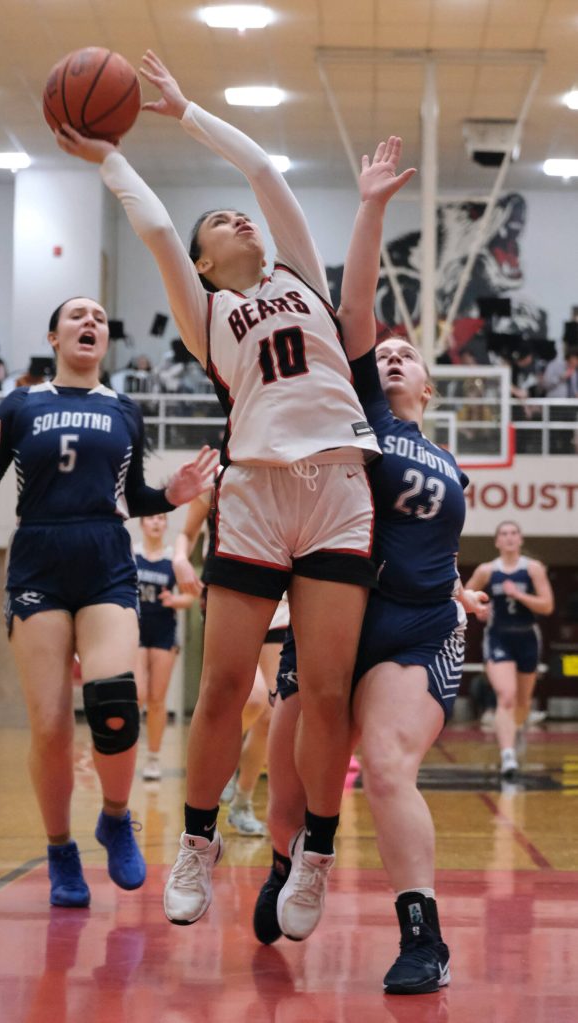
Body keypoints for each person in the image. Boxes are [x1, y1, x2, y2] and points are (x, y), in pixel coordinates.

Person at [56, 50, 403, 935]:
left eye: (239, 217)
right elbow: (157, 231)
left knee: (325, 694)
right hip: (252, 493)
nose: (236, 218)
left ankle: (315, 855)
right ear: (209, 265)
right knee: (219, 692)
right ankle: (199, 843)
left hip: (335, 489)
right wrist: (110, 160)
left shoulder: (303, 280)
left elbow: (264, 168)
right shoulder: (206, 313)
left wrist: (185, 111)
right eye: (221, 223)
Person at [253, 141, 489, 997]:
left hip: (416, 625)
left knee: (386, 762)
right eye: (382, 353)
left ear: (427, 383)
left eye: (405, 356)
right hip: (329, 617)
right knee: (289, 782)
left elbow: (436, 538)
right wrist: (371, 207)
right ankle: (286, 865)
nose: (390, 358)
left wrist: (459, 584)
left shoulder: (450, 462)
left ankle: (421, 936)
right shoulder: (353, 412)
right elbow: (353, 307)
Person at [0, 295, 218, 909]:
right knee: (50, 726)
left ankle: (115, 816)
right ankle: (59, 850)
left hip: (105, 556)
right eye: (78, 315)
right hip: (38, 561)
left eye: (101, 317)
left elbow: (132, 495)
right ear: (53, 337)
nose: (91, 322)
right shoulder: (21, 404)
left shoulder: (125, 410)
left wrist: (171, 493)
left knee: (114, 705)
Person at [172, 488, 288, 836]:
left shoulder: (291, 472)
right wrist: (180, 558)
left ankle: (242, 802)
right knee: (251, 698)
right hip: (230, 598)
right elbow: (187, 532)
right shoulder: (215, 480)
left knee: (270, 714)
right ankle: (223, 759)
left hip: (281, 603)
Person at [464, 521, 554, 778]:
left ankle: (515, 731)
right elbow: (466, 595)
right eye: (504, 534)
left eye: (514, 533)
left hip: (526, 637)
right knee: (506, 695)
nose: (509, 537)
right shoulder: (487, 570)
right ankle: (508, 756)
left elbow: (547, 606)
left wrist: (519, 595)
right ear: (497, 542)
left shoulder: (533, 569)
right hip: (498, 637)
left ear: (521, 539)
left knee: (523, 702)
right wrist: (479, 609)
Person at [133, 512, 195, 781]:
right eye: (151, 518)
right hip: (134, 631)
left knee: (157, 699)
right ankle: (127, 754)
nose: (156, 522)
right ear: (142, 523)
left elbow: (191, 596)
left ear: (166, 525)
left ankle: (153, 758)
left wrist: (174, 600)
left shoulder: (174, 560)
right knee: (137, 693)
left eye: (161, 518)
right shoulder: (131, 554)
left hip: (163, 632)